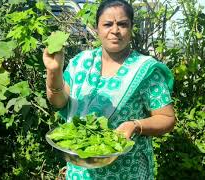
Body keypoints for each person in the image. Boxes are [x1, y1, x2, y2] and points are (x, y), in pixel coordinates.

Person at [43, 0, 175, 179]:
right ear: (97, 28)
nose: (115, 30)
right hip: (82, 170)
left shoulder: (145, 70)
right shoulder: (81, 63)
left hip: (128, 170)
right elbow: (58, 102)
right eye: (107, 24)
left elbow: (167, 118)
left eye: (122, 24)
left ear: (131, 28)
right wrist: (53, 70)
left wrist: (135, 125)